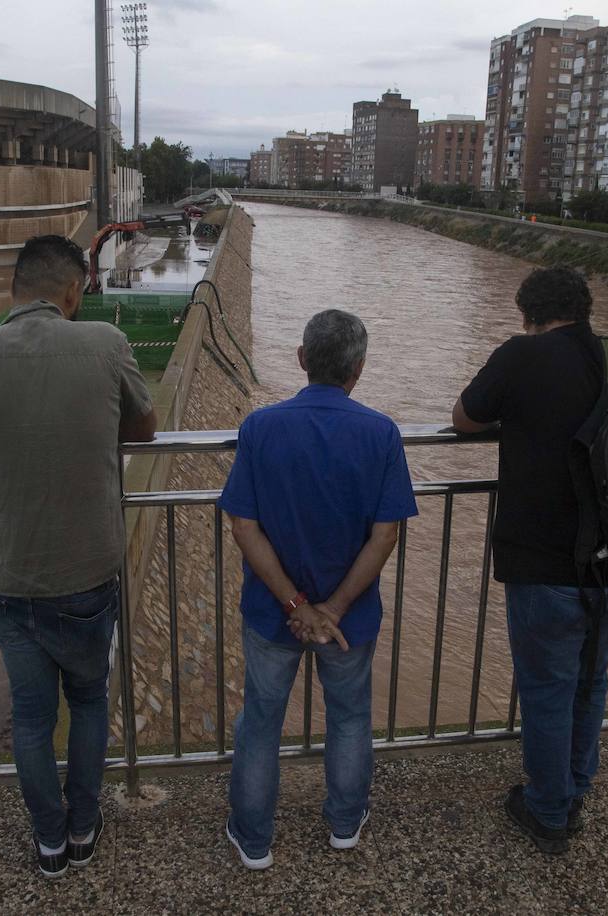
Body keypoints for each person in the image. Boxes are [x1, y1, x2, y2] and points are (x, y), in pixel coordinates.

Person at [0, 234, 157, 878]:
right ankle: (84, 829)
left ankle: (49, 844)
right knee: (88, 703)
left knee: (30, 716)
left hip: (8, 574)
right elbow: (143, 427)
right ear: (73, 290)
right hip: (88, 573)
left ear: (15, 289)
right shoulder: (104, 345)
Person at [450, 267, 608, 856]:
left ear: (527, 313)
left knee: (547, 689)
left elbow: (465, 418)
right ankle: (574, 790)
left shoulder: (521, 355)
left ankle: (548, 811)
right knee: (591, 679)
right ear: (585, 308)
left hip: (548, 566)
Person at [218, 309, 418, 871]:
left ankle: (254, 840)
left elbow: (244, 525)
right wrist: (332, 609)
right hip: (348, 623)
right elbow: (386, 534)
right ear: (359, 368)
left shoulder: (261, 427)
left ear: (302, 359)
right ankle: (344, 824)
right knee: (350, 717)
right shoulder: (381, 433)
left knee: (261, 721)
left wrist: (294, 605)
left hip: (270, 613)